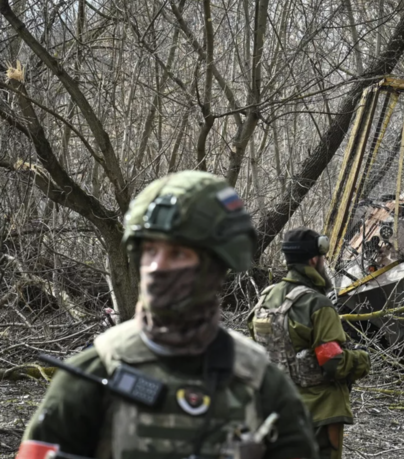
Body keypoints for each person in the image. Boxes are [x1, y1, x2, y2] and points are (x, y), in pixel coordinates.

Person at [16, 171, 318, 459]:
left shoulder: (260, 382)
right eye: (150, 251)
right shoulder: (96, 371)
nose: (156, 267)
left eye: (178, 254)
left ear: (215, 266)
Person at [250, 228, 370, 459]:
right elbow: (332, 361)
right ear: (315, 259)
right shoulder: (317, 304)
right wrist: (361, 360)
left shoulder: (266, 298)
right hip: (319, 413)